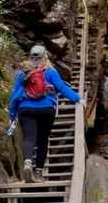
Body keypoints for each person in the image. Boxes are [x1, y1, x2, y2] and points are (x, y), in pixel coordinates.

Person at [7, 45, 80, 184]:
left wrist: (12, 116)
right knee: (42, 141)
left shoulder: (24, 73)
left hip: (25, 109)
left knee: (29, 139)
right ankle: (39, 174)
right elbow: (62, 88)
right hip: (46, 109)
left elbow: (15, 96)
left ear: (32, 57)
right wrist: (78, 98)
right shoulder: (50, 71)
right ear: (45, 56)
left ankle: (28, 163)